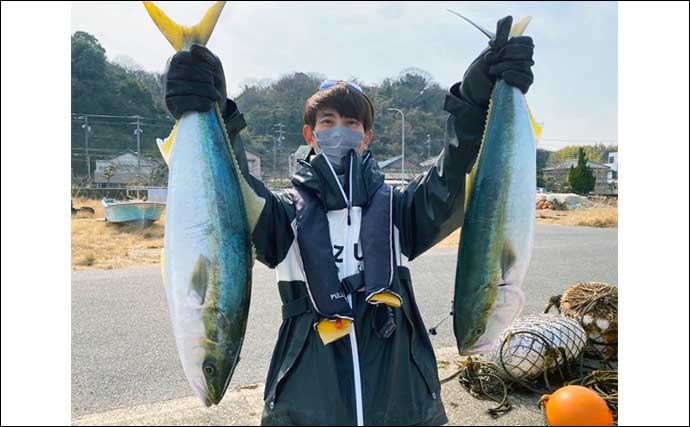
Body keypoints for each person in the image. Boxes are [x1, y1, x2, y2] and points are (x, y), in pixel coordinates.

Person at [163, 15, 534, 426]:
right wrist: (213, 107)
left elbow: (454, 171)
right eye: (328, 123)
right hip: (307, 408)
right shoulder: (282, 216)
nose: (340, 131)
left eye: (352, 123)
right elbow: (231, 183)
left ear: (367, 136)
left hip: (403, 405)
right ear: (310, 134)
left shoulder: (402, 210)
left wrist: (476, 97)